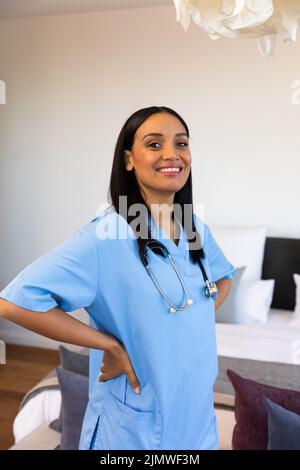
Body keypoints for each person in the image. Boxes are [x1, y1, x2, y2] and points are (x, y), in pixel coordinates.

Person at [0, 106, 236, 450]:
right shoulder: (106, 237)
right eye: (154, 145)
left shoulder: (192, 227)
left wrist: (190, 321)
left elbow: (224, 277)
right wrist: (107, 344)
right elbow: (14, 303)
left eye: (181, 144)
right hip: (135, 428)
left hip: (196, 421)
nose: (172, 154)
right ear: (128, 160)